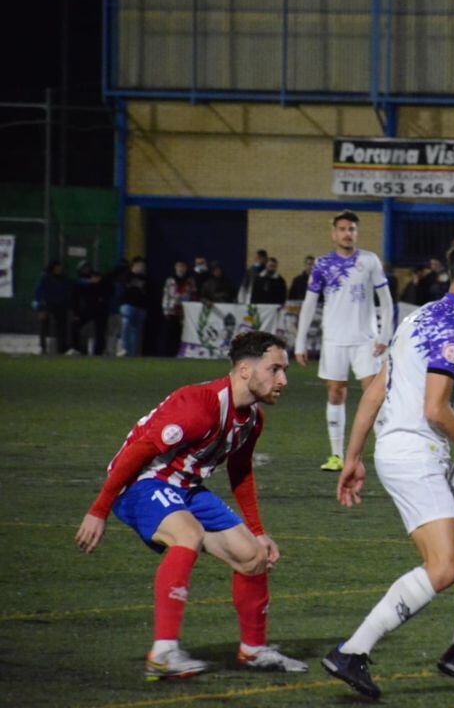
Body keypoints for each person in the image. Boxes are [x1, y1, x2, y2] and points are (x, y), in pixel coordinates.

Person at [323, 236, 454, 699]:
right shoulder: (453, 329)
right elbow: (435, 410)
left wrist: (352, 457)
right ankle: (353, 651)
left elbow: (374, 391)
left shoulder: (419, 316)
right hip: (416, 453)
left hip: (414, 450)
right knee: (443, 567)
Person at [74, 331, 308, 679]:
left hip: (185, 486)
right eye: (275, 369)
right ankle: (163, 653)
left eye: (284, 370)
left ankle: (254, 650)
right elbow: (139, 452)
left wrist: (258, 531)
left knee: (252, 556)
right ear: (245, 369)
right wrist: (99, 510)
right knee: (188, 534)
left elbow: (240, 471)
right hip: (140, 482)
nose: (283, 380)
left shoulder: (252, 419)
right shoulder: (201, 405)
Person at [296, 211, 394, 472]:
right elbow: (309, 304)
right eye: (342, 229)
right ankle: (336, 456)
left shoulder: (369, 260)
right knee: (335, 392)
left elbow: (386, 301)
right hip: (334, 341)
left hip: (366, 340)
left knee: (373, 395)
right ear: (334, 233)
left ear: (356, 233)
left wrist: (385, 335)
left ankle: (387, 452)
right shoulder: (322, 265)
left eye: (351, 229)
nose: (347, 233)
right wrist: (299, 342)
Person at [71, 261, 109, 355]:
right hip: (86, 309)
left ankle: (98, 352)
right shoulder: (79, 282)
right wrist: (76, 313)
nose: (86, 270)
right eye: (84, 269)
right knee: (75, 326)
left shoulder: (99, 278)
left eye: (87, 268)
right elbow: (75, 297)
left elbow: (106, 288)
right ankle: (77, 349)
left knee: (100, 331)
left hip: (100, 309)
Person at [33, 260, 71, 355]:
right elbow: (39, 292)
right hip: (47, 305)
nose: (59, 269)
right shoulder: (45, 278)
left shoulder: (63, 278)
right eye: (57, 267)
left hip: (61, 306)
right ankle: (43, 347)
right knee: (44, 327)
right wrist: (41, 307)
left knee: (61, 327)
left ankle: (60, 348)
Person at [160, 260, 197, 356]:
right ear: (175, 268)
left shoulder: (190, 281)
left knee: (180, 334)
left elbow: (193, 294)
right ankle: (167, 354)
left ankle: (178, 353)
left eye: (183, 267)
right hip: (171, 310)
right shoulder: (170, 280)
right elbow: (166, 295)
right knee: (169, 333)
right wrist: (166, 310)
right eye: (179, 266)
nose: (181, 269)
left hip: (185, 312)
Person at [119, 257, 150, 357]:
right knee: (126, 324)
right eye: (140, 265)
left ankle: (134, 353)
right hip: (128, 305)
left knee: (137, 331)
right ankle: (125, 348)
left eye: (143, 266)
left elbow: (147, 292)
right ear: (134, 265)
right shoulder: (126, 275)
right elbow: (124, 289)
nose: (142, 267)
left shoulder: (145, 278)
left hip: (141, 306)